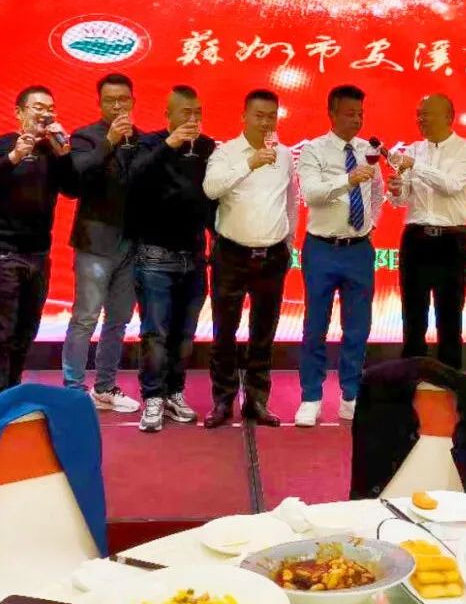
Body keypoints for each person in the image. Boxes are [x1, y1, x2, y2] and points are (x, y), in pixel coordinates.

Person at [0, 85, 76, 404]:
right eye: (38, 107)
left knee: (24, 335)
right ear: (19, 112)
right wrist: (14, 156)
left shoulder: (53, 152)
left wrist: (65, 154)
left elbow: (73, 189)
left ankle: (11, 396)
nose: (45, 114)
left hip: (38, 255)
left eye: (50, 108)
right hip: (1, 254)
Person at [202, 89, 299, 429]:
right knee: (224, 330)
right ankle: (223, 399)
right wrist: (249, 163)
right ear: (244, 116)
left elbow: (291, 201)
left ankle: (257, 399)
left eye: (272, 116)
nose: (266, 122)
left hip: (272, 255)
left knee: (264, 331)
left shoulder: (285, 155)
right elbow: (211, 189)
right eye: (259, 115)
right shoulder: (225, 152)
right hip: (232, 254)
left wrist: (289, 243)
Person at [294, 85, 384, 427]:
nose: (357, 120)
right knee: (315, 326)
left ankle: (351, 396)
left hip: (358, 249)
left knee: (357, 328)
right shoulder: (313, 150)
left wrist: (372, 223)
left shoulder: (368, 150)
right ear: (331, 113)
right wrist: (348, 180)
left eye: (360, 114)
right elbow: (311, 194)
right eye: (349, 113)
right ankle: (311, 397)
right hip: (321, 248)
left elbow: (376, 192)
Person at [127, 86, 215, 432]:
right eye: (185, 112)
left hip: (194, 256)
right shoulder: (149, 144)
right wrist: (170, 144)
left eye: (198, 112)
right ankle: (152, 396)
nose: (193, 119)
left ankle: (175, 391)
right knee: (155, 333)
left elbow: (213, 198)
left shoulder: (207, 147)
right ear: (168, 114)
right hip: (154, 256)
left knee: (185, 334)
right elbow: (134, 179)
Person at [60, 73, 142, 413]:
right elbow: (77, 177)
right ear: (100, 103)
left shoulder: (141, 140)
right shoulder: (85, 137)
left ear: (133, 101)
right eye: (111, 100)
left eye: (123, 99)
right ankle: (73, 389)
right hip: (95, 243)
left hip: (131, 244)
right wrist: (109, 141)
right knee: (85, 317)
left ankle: (105, 387)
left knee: (118, 320)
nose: (118, 105)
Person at [389, 94, 466, 370]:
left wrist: (415, 166)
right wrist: (396, 189)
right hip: (416, 240)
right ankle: (410, 382)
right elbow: (402, 200)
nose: (421, 119)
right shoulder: (413, 150)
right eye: (418, 114)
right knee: (413, 319)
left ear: (448, 117)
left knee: (449, 319)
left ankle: (449, 383)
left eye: (426, 113)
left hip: (451, 242)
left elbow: (451, 185)